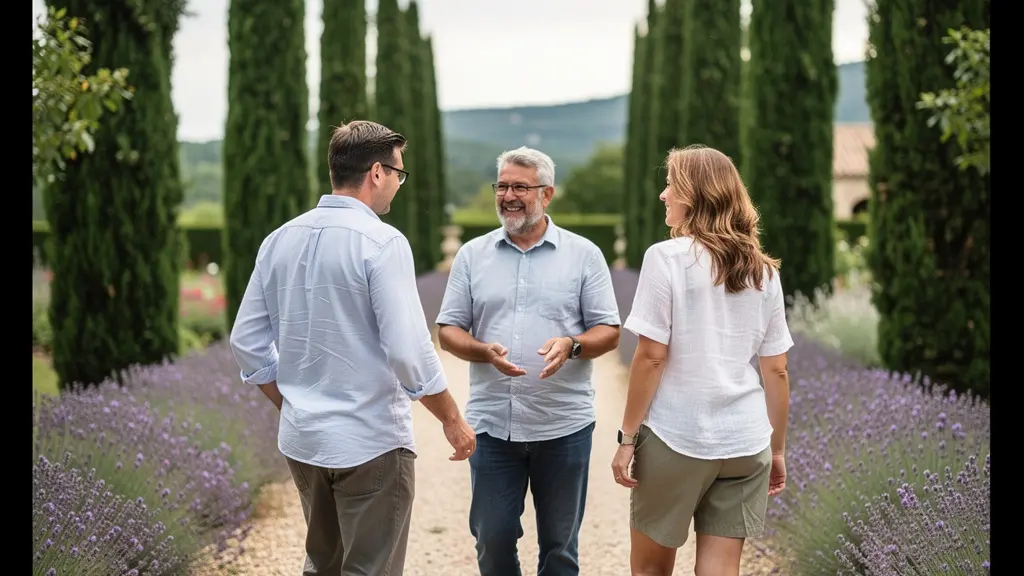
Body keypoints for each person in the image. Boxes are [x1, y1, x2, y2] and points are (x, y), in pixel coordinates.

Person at [228, 120, 476, 576]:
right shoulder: (382, 241)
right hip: (371, 442)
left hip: (304, 441)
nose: (398, 186)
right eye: (399, 175)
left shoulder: (278, 238)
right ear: (377, 173)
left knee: (322, 566)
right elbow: (408, 350)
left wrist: (293, 404)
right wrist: (452, 419)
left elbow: (246, 342)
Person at [435, 146, 621, 576]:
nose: (508, 195)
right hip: (493, 424)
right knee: (492, 537)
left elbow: (608, 331)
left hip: (564, 425)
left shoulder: (584, 255)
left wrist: (573, 344)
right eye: (502, 185)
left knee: (560, 549)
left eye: (521, 186)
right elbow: (448, 330)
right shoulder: (471, 255)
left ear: (547, 193)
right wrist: (482, 350)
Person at [610, 145, 792, 576]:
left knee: (651, 570)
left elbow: (652, 357)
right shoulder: (763, 270)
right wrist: (778, 450)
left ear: (694, 194)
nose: (663, 195)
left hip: (678, 436)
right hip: (747, 443)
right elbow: (777, 369)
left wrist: (626, 438)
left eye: (671, 184)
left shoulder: (665, 258)